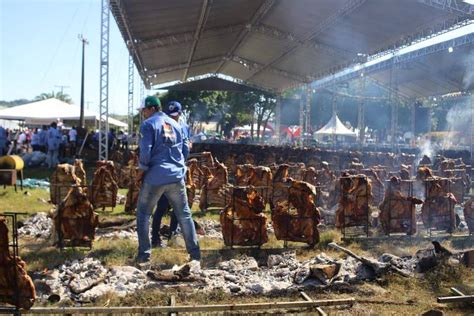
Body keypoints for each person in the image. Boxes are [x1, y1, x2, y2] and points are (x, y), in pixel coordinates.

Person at [135, 96, 200, 263]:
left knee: (143, 213)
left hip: (155, 177)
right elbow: (184, 150)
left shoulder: (148, 125)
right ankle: (195, 255)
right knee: (184, 215)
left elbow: (145, 151)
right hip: (176, 177)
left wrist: (141, 171)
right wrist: (178, 167)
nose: (143, 114)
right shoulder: (176, 125)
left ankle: (144, 255)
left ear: (151, 108)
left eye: (144, 110)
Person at [151, 101, 190, 247]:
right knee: (163, 206)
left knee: (176, 207)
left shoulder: (176, 126)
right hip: (172, 171)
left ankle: (171, 234)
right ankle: (157, 237)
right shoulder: (174, 126)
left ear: (180, 114)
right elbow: (185, 149)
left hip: (169, 171)